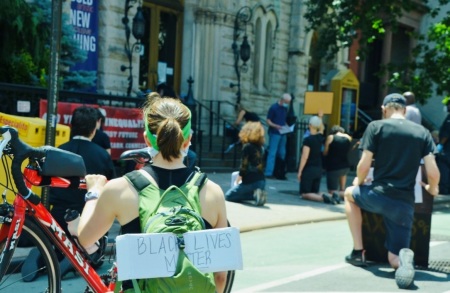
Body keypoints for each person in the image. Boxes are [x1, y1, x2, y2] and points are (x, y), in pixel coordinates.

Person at [76, 93, 229, 292]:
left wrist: (94, 193)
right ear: (188, 139)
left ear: (147, 140)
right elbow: (221, 276)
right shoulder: (212, 192)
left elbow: (86, 238)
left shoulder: (121, 189)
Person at [343, 93, 439, 289]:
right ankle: (403, 260)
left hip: (378, 195)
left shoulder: (376, 127)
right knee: (393, 257)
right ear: (404, 110)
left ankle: (358, 251)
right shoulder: (422, 132)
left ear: (384, 109)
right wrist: (432, 188)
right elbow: (433, 171)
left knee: (348, 194)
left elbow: (363, 165)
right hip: (404, 204)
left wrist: (358, 181)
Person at [297, 116, 337, 204]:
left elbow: (305, 157)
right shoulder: (320, 137)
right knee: (315, 192)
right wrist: (320, 117)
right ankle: (332, 196)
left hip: (309, 169)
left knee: (304, 193)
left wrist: (300, 171)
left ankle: (324, 199)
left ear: (310, 125)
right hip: (318, 168)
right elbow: (321, 128)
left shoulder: (308, 140)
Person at [225, 121, 267, 206]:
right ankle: (258, 194)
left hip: (250, 180)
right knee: (240, 192)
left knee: (228, 195)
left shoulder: (247, 147)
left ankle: (253, 195)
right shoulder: (261, 148)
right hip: (262, 180)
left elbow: (244, 164)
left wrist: (239, 177)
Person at [265, 93, 292, 178]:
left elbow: (283, 120)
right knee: (272, 153)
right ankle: (268, 173)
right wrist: (275, 126)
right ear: (282, 100)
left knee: (282, 153)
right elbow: (268, 121)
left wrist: (287, 127)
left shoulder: (284, 108)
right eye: (287, 102)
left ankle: (279, 171)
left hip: (282, 133)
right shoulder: (274, 108)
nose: (287, 104)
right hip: (275, 132)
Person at [323, 125, 352, 201]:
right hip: (345, 165)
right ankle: (344, 195)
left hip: (333, 166)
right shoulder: (348, 138)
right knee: (342, 188)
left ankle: (335, 197)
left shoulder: (331, 137)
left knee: (332, 190)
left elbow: (325, 152)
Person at [437, 98, 450, 194]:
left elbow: (446, 134)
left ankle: (444, 189)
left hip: (447, 149)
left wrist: (440, 144)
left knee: (444, 168)